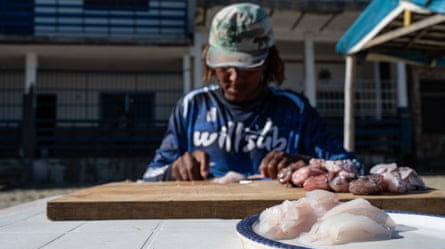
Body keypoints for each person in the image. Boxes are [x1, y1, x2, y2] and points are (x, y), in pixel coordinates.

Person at [143, 2, 362, 182]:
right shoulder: (192, 106)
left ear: (267, 63)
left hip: (276, 221)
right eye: (225, 66)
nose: (235, 77)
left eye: (247, 67)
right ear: (210, 62)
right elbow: (150, 176)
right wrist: (174, 170)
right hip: (205, 220)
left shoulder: (294, 110)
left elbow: (353, 167)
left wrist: (307, 164)